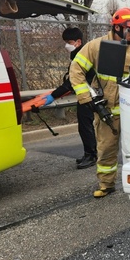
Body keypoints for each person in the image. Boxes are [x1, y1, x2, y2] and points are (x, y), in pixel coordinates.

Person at [69, 7, 130, 198]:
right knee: (106, 148)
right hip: (107, 110)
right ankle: (106, 185)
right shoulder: (96, 46)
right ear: (117, 28)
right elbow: (76, 69)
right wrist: (86, 98)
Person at [42, 27, 97, 169]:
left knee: (86, 127)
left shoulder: (81, 55)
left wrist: (53, 96)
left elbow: (71, 82)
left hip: (90, 95)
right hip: (86, 94)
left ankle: (91, 155)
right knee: (85, 126)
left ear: (78, 42)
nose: (67, 45)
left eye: (69, 42)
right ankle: (89, 154)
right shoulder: (78, 53)